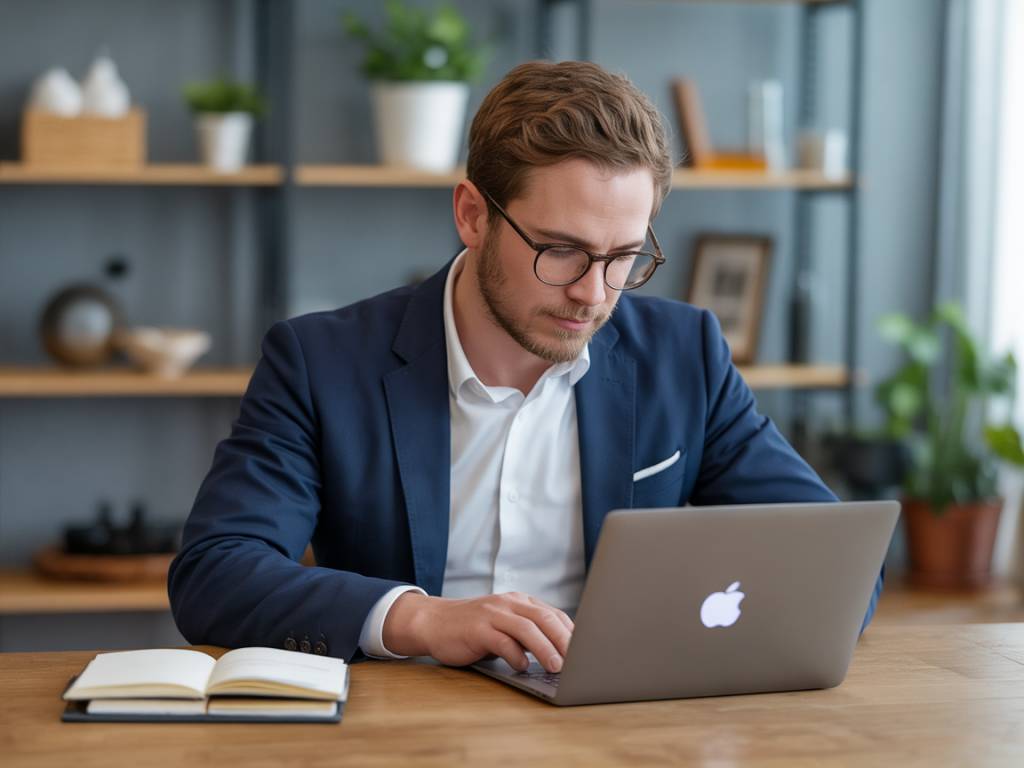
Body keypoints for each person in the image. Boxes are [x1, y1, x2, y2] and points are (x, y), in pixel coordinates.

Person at [169, 60, 882, 675]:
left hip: (620, 729)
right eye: (562, 250)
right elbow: (216, 573)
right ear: (473, 215)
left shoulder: (683, 353)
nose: (593, 293)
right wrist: (417, 620)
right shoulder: (322, 361)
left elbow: (839, 565)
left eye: (624, 257)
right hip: (405, 730)